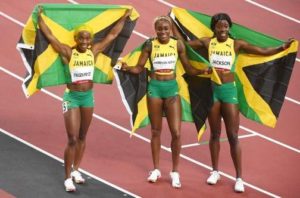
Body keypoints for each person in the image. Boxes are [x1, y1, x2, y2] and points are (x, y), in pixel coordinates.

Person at [172, 13, 293, 192]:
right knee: (214, 134)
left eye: (226, 27)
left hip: (229, 92)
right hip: (212, 91)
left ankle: (239, 178)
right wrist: (172, 24)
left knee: (233, 135)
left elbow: (263, 51)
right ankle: (215, 171)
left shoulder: (237, 44)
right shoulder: (207, 43)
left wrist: (283, 46)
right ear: (214, 28)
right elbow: (181, 46)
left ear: (229, 28)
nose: (223, 30)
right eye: (220, 27)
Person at [37, 6, 132, 192]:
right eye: (82, 37)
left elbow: (112, 36)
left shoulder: (93, 51)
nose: (85, 41)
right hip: (71, 97)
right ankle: (67, 178)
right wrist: (40, 17)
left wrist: (124, 17)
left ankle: (76, 169)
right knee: (72, 138)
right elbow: (50, 36)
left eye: (88, 38)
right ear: (76, 39)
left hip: (88, 98)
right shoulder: (68, 53)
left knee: (82, 136)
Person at [121, 16, 211, 188]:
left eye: (166, 28)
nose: (163, 32)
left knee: (176, 132)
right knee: (155, 131)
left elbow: (188, 69)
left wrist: (202, 71)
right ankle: (156, 169)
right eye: (160, 29)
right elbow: (139, 67)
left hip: (172, 90)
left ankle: (175, 172)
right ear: (155, 30)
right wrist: (128, 68)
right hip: (155, 89)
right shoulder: (150, 45)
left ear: (170, 29)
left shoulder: (177, 44)